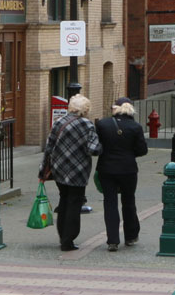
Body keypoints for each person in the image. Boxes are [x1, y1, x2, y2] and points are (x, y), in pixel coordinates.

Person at [41, 93, 101, 251]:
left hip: (59, 168)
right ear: (86, 109)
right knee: (75, 203)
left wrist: (43, 172)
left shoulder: (59, 122)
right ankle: (68, 239)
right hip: (79, 171)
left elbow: (49, 148)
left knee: (64, 200)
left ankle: (63, 236)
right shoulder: (87, 125)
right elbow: (94, 150)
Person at [94, 97, 149, 250]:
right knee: (129, 202)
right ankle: (131, 236)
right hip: (128, 169)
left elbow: (96, 146)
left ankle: (112, 240)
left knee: (110, 203)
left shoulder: (102, 124)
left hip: (107, 169)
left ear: (115, 108)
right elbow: (142, 150)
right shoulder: (135, 127)